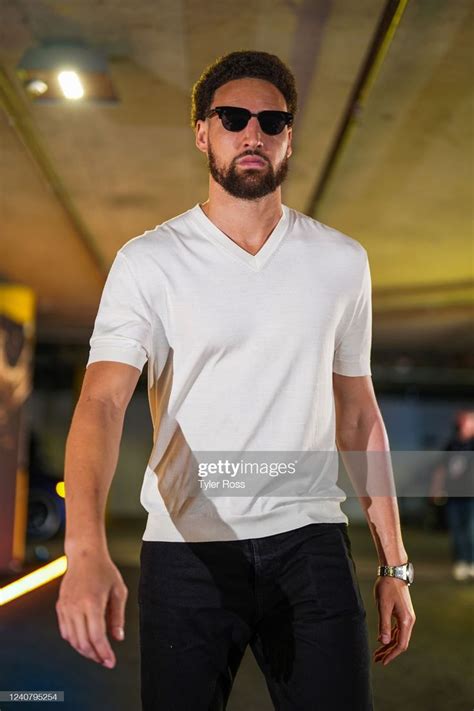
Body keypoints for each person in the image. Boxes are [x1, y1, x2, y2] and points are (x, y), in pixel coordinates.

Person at [56, 50, 416, 710]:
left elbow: (359, 415)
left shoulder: (341, 262)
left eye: (271, 120)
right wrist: (84, 549)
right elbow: (103, 401)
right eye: (233, 117)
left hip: (309, 544)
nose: (253, 132)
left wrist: (395, 564)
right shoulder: (149, 262)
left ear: (288, 137)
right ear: (203, 131)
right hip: (186, 548)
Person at [429, 410, 474, 581]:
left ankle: (471, 562)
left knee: (470, 530)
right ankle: (461, 562)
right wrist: (436, 488)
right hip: (454, 495)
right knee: (457, 531)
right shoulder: (452, 445)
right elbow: (440, 470)